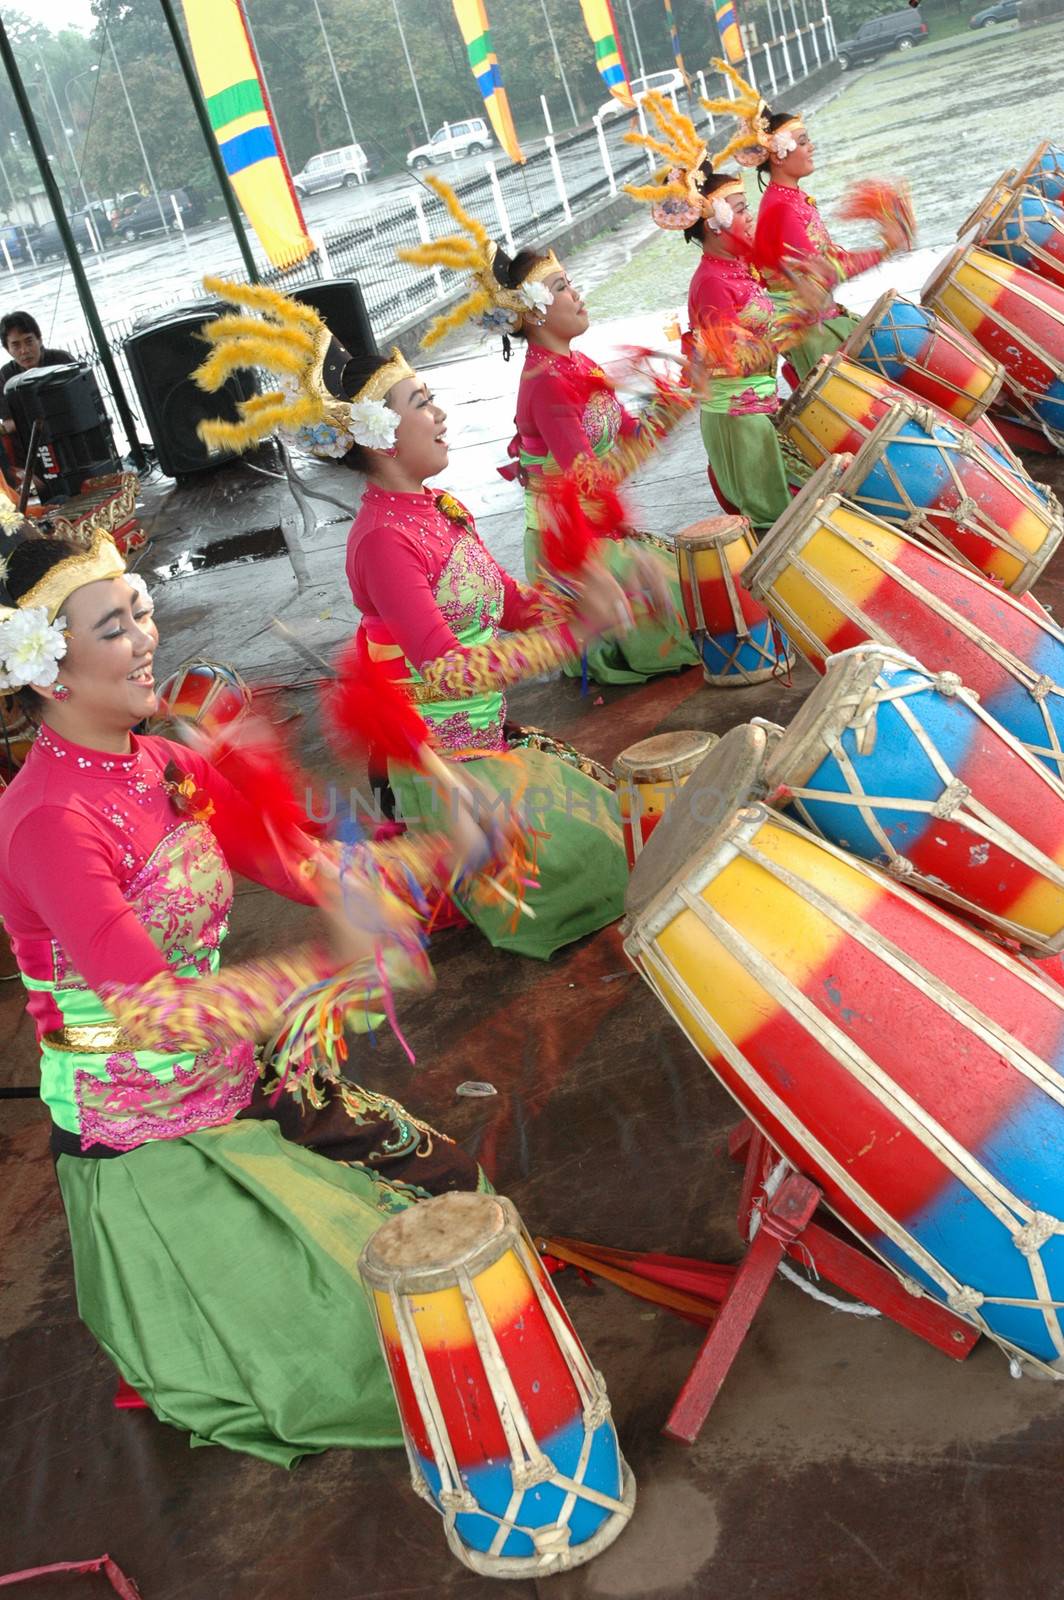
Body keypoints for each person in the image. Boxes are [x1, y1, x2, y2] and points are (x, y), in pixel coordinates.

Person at [0, 525, 494, 1467]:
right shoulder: (47, 821)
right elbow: (153, 1013)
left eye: (142, 610)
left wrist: (437, 851)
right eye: (114, 625)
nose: (146, 637)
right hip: (152, 1136)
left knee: (448, 1197)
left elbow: (304, 864)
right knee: (374, 1348)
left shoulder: (165, 766)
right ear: (45, 669)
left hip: (244, 1076)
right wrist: (321, 969)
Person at [192, 278, 632, 960]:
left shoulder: (439, 509)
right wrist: (578, 634)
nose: (442, 414)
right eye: (422, 403)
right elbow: (448, 667)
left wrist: (575, 597)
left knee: (621, 829)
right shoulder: (382, 539)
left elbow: (510, 606)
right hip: (443, 772)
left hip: (491, 747)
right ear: (381, 434)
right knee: (585, 877)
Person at [397, 176, 699, 686]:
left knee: (702, 587)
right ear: (532, 310)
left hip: (598, 525)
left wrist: (677, 398)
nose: (576, 296)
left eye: (570, 283)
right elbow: (592, 482)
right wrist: (673, 408)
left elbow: (626, 441)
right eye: (561, 288)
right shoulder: (547, 382)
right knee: (694, 602)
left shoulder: (575, 362)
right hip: (574, 543)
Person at [625, 94, 826, 532]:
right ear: (713, 222)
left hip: (759, 410)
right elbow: (726, 362)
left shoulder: (738, 269)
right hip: (739, 421)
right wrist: (792, 326)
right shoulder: (712, 283)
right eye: (739, 210)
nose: (749, 216)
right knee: (778, 525)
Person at [702, 61, 910, 381]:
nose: (810, 147)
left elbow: (826, 263)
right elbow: (823, 273)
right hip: (817, 338)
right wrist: (883, 249)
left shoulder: (793, 199)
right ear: (778, 155)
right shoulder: (779, 210)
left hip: (827, 322)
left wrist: (884, 246)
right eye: (802, 141)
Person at [0, 310, 73, 436]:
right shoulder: (5, 376)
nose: (24, 350)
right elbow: (9, 423)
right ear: (8, 349)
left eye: (29, 341)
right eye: (16, 345)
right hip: (32, 445)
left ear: (39, 340)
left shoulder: (61, 361)